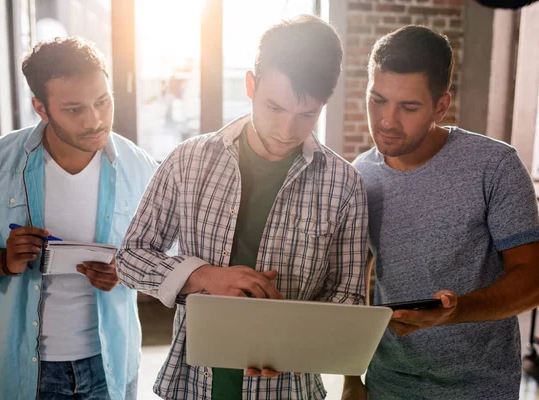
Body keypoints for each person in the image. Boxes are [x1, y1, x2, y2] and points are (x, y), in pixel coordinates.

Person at [116, 15, 369, 400]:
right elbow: (129, 259)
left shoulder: (345, 184)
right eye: (275, 107)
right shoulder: (188, 160)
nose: (287, 131)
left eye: (306, 115)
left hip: (288, 386)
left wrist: (292, 345)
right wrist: (205, 276)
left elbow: (347, 295)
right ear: (250, 85)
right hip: (193, 384)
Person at [346, 26, 539, 399]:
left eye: (408, 107)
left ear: (441, 106)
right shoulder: (360, 174)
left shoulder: (495, 165)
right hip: (388, 383)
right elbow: (354, 279)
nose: (387, 120)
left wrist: (455, 312)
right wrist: (350, 378)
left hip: (478, 387)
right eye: (377, 100)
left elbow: (533, 284)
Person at [0, 37, 157, 399]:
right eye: (74, 109)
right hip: (26, 366)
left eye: (102, 102)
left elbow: (159, 254)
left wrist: (125, 272)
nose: (95, 120)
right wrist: (2, 260)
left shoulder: (140, 168)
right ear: (41, 108)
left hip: (109, 362)